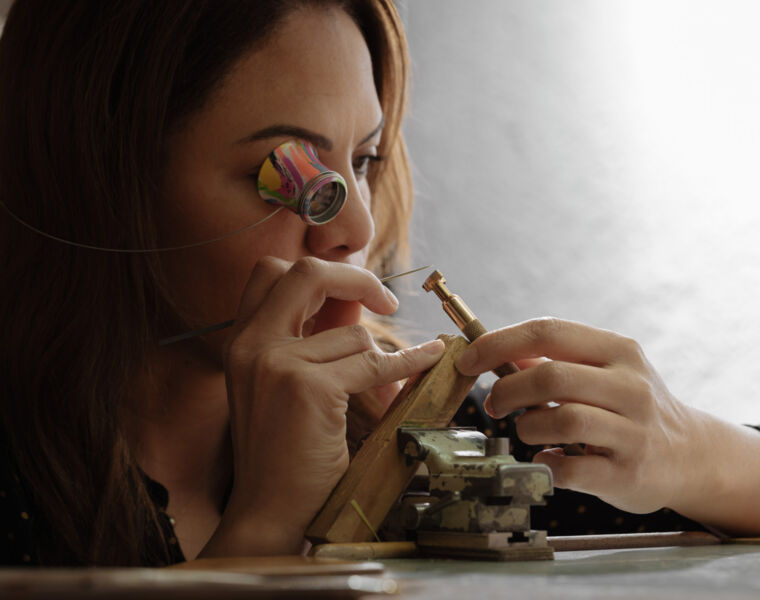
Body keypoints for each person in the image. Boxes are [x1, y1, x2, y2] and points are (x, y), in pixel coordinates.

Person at [0, 0, 758, 568]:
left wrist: (694, 452)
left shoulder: (423, 436)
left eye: (363, 161)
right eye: (286, 176)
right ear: (97, 177)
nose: (356, 229)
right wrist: (267, 529)